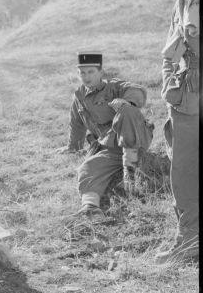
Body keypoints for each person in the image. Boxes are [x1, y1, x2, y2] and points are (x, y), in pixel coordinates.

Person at [57, 52, 154, 217]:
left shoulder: (114, 86)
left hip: (136, 137)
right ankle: (90, 208)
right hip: (110, 147)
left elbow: (138, 91)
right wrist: (72, 147)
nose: (86, 77)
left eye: (91, 72)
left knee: (127, 110)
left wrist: (127, 102)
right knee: (88, 168)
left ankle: (130, 172)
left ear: (101, 72)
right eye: (82, 73)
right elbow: (76, 124)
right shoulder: (79, 97)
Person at [156, 0, 200, 264]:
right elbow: (169, 53)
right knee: (183, 170)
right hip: (188, 95)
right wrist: (170, 86)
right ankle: (190, 239)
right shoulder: (183, 0)